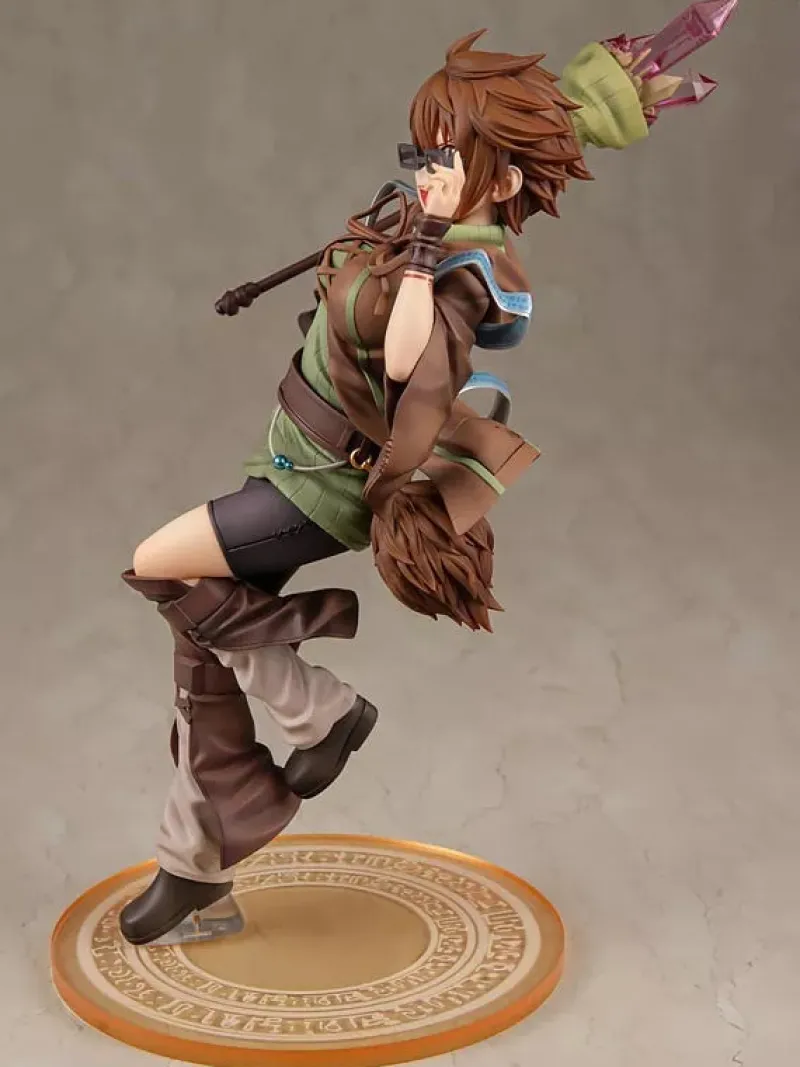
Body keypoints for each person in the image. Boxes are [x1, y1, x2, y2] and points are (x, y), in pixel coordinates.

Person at [117, 25, 724, 945]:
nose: (430, 167)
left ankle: (318, 710)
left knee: (162, 564)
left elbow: (409, 357)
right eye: (429, 144)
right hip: (288, 456)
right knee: (202, 648)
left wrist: (429, 236)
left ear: (502, 181)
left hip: (324, 487)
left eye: (453, 152)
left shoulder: (471, 269)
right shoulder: (422, 226)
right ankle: (195, 868)